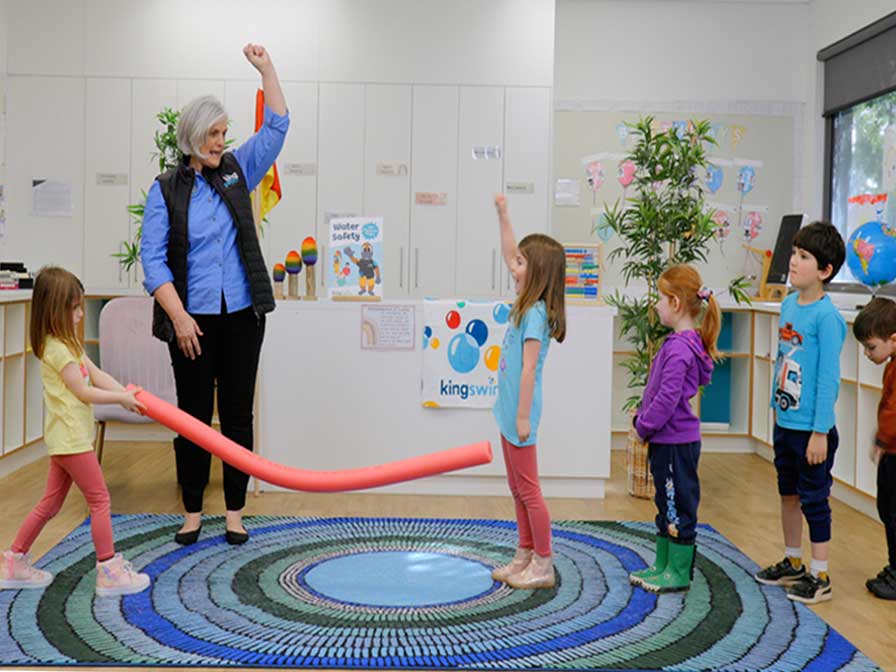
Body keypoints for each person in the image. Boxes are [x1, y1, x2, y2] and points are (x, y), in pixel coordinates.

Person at [140, 44, 288, 546]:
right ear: (192, 137)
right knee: (194, 417)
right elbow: (153, 261)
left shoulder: (237, 169)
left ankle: (235, 512)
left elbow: (277, 128)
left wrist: (267, 69)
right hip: (192, 322)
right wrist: (179, 318)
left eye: (225, 135)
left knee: (239, 414)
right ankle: (191, 511)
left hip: (243, 315)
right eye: (214, 135)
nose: (221, 142)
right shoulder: (165, 189)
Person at [0, 267, 149, 596]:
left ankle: (13, 560)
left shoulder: (68, 344)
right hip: (70, 440)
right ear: (56, 310)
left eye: (82, 307)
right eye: (75, 308)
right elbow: (83, 392)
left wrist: (127, 395)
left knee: (50, 504)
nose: (81, 314)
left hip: (67, 439)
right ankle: (108, 570)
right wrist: (119, 398)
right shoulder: (56, 350)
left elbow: (97, 376)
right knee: (99, 500)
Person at [754, 221, 846, 604]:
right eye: (794, 253)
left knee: (814, 500)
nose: (793, 261)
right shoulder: (789, 304)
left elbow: (827, 380)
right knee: (787, 494)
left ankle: (819, 573)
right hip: (786, 422)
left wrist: (820, 430)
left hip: (813, 430)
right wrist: (776, 409)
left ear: (824, 270)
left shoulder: (828, 318)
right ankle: (793, 561)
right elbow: (782, 361)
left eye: (804, 256)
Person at [628, 265, 720, 593]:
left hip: (673, 442)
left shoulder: (681, 348)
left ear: (677, 303)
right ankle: (665, 564)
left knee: (676, 503)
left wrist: (644, 426)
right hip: (669, 441)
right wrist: (643, 414)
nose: (656, 305)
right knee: (666, 502)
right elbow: (663, 390)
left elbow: (668, 399)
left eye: (660, 298)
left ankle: (677, 572)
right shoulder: (681, 343)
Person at [490, 194, 566, 590]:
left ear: (535, 272)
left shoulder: (536, 313)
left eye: (521, 263)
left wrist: (522, 417)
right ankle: (524, 553)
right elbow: (508, 250)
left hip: (520, 415)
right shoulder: (525, 300)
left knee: (529, 490)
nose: (512, 266)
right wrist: (504, 215)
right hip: (508, 412)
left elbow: (530, 369)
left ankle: (543, 562)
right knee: (516, 487)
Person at [853, 296, 896, 600]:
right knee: (887, 510)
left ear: (893, 340)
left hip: (894, 451)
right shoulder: (891, 365)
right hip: (890, 451)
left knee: (893, 512)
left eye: (871, 347)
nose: (868, 354)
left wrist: (882, 438)